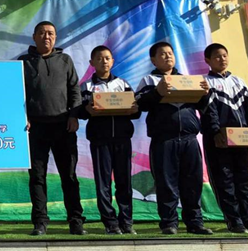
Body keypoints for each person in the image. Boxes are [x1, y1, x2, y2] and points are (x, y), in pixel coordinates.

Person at [135, 41, 212, 235]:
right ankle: (169, 223)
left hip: (189, 138)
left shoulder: (187, 80)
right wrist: (157, 92)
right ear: (153, 60)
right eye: (163, 54)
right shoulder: (149, 80)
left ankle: (195, 223)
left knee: (193, 183)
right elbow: (139, 104)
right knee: (166, 183)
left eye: (170, 53)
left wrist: (205, 94)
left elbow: (202, 105)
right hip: (164, 139)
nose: (168, 56)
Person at [18, 21, 85, 236]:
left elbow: (74, 90)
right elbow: (15, 92)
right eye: (42, 33)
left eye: (51, 33)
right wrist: (23, 116)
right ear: (34, 37)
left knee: (69, 176)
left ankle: (76, 221)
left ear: (55, 38)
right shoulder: (23, 62)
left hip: (63, 126)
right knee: (37, 177)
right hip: (35, 129)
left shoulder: (65, 60)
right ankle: (40, 222)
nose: (46, 37)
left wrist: (74, 116)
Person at [78, 45, 140, 235]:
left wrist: (134, 109)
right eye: (99, 58)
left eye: (107, 58)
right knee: (103, 183)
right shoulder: (86, 86)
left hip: (122, 139)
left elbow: (135, 111)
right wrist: (87, 110)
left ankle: (126, 221)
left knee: (124, 182)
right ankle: (110, 223)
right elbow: (79, 110)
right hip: (100, 140)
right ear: (92, 62)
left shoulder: (123, 84)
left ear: (112, 61)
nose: (103, 61)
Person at [201, 43, 248, 233]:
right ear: (207, 60)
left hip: (240, 140)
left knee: (243, 181)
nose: (222, 59)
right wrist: (216, 132)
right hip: (218, 142)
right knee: (224, 182)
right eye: (217, 56)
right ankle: (234, 221)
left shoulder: (238, 81)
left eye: (224, 55)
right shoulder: (204, 83)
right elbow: (208, 110)